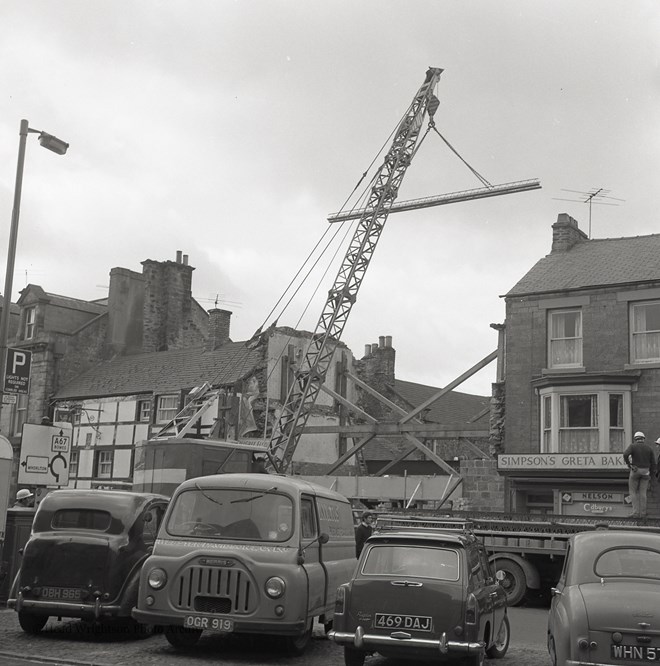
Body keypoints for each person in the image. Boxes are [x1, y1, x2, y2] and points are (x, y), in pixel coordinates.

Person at [623, 431, 656, 518]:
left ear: (635, 439)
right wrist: (652, 476)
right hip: (646, 471)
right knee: (643, 493)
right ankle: (643, 513)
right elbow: (653, 463)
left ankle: (636, 512)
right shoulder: (649, 448)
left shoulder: (633, 446)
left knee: (633, 491)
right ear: (643, 439)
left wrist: (629, 464)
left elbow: (625, 454)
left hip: (636, 470)